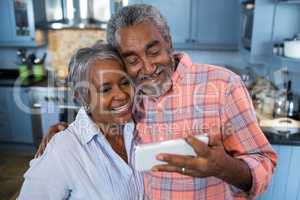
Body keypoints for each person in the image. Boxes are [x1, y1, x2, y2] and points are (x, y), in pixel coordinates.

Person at [37, 4, 277, 200]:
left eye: (153, 52)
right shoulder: (130, 97)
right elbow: (101, 121)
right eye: (132, 59)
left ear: (168, 42)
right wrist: (67, 135)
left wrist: (223, 167)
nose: (148, 68)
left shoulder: (224, 85)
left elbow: (264, 162)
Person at [18, 44, 144, 200]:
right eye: (105, 89)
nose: (122, 95)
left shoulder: (143, 126)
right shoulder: (63, 149)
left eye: (124, 82)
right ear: (81, 96)